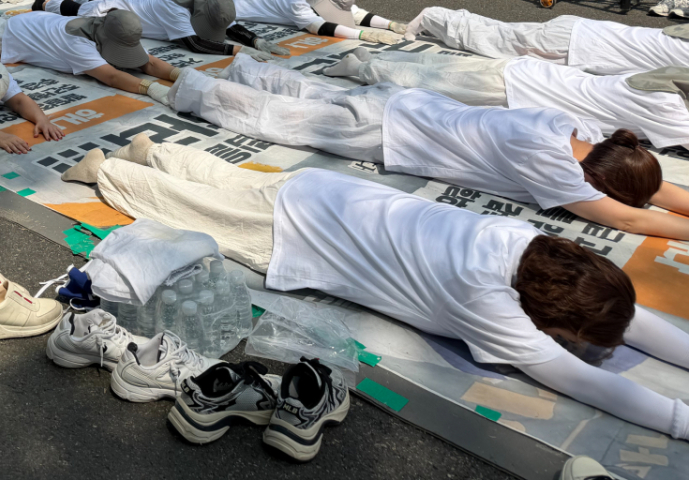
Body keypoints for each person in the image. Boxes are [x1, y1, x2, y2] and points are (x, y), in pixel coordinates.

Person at [83, 147, 689, 441]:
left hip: (330, 194)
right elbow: (579, 379)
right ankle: (106, 167)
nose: (569, 343)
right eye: (570, 333)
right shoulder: (489, 305)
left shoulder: (533, 246)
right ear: (553, 316)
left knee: (230, 183)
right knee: (198, 208)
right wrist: (679, 421)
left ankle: (156, 148)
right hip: (309, 235)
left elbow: (618, 311)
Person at [158, 52, 689, 239]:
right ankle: (186, 86)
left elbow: (650, 185)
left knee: (311, 91)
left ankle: (246, 66)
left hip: (409, 104)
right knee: (282, 119)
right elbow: (631, 219)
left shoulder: (575, 132)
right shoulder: (553, 170)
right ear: (598, 182)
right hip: (389, 134)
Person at [327, 47, 689, 149]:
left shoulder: (653, 81)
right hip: (515, 90)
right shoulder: (667, 107)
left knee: (435, 67)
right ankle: (362, 69)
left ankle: (375, 59)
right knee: (432, 80)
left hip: (526, 74)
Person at [0, 7, 179, 100]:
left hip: (40, 21)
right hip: (20, 34)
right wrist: (151, 89)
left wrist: (178, 74)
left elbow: (147, 61)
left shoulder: (114, 27)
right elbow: (110, 77)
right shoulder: (78, 44)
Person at [409, 6, 689, 74]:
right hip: (574, 44)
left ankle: (439, 19)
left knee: (498, 36)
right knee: (494, 41)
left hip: (583, 41)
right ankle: (432, 17)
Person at [44, 0, 274, 61]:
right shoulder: (173, 9)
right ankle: (45, 3)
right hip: (119, 9)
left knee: (95, 1)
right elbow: (193, 44)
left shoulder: (211, 1)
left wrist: (255, 39)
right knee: (82, 12)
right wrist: (238, 50)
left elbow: (230, 25)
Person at [162, 0, 406, 43]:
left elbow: (356, 12)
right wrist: (363, 35)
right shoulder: (296, 1)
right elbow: (317, 27)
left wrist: (391, 25)